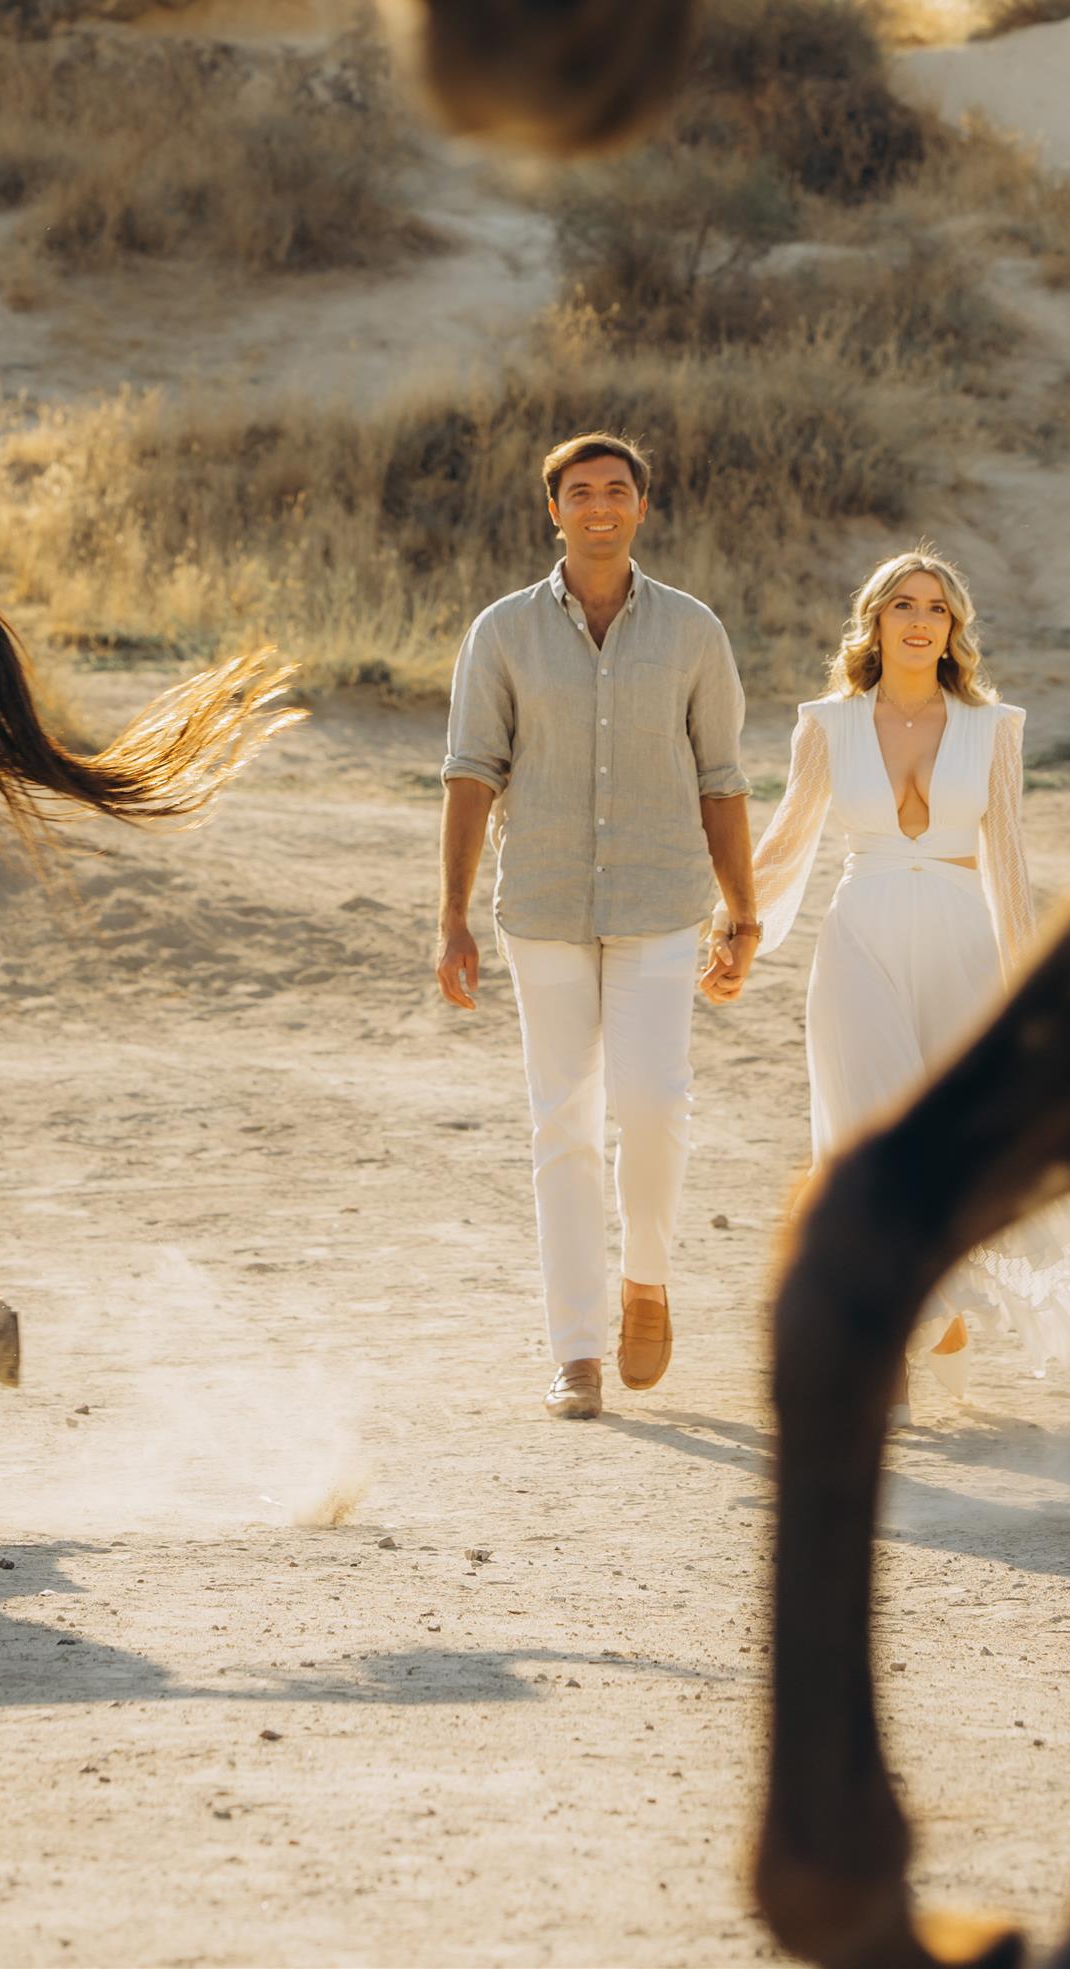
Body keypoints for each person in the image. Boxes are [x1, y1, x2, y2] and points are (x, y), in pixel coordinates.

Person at [716, 546, 1070, 1388]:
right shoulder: (829, 724)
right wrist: (733, 927)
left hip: (965, 943)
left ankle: (936, 1297)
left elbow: (1011, 865)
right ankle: (891, 1339)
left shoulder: (994, 728)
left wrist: (1032, 984)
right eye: (904, 605)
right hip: (861, 941)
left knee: (968, 1132)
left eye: (936, 608)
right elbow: (787, 842)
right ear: (874, 621)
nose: (920, 620)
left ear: (954, 629)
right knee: (867, 1134)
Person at [437, 430, 761, 1420]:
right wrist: (449, 915)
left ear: (641, 508)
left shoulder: (694, 631)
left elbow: (722, 777)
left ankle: (647, 1280)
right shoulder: (501, 632)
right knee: (561, 1125)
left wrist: (740, 909)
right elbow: (469, 772)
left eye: (616, 490)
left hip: (661, 902)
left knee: (653, 1099)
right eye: (579, 492)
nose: (598, 506)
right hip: (540, 905)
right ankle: (575, 1350)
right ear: (552, 510)